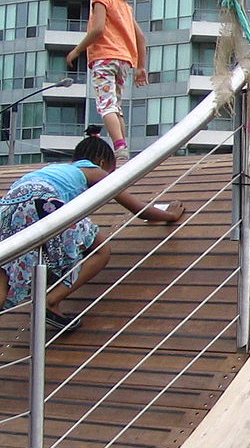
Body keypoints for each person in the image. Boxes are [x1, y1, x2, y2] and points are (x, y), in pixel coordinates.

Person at [0, 128, 184, 332]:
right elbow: (138, 210)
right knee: (101, 249)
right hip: (44, 200)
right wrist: (170, 215)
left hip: (9, 204)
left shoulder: (57, 170)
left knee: (5, 269)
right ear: (102, 162)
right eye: (112, 171)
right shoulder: (94, 171)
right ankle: (50, 301)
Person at [65, 0, 147, 163]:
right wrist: (141, 67)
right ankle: (122, 145)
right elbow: (141, 37)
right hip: (123, 61)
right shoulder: (124, 6)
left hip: (104, 57)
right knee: (115, 105)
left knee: (105, 105)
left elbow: (98, 29)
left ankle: (119, 147)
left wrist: (77, 50)